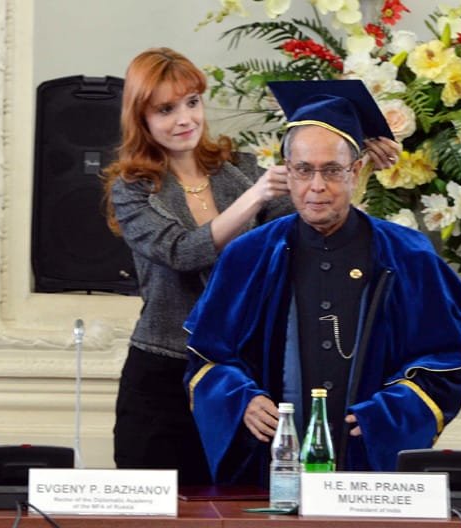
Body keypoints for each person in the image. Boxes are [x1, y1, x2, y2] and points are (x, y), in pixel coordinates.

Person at [102, 49, 397, 485]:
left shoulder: (237, 168)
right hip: (164, 372)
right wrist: (255, 197)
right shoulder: (132, 188)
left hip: (236, 374)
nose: (185, 119)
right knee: (155, 502)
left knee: (237, 500)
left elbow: (308, 220)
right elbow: (181, 252)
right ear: (139, 116)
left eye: (192, 103)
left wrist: (353, 155)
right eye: (166, 109)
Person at [183, 79, 461, 485]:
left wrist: (387, 414)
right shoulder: (249, 256)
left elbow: (444, 363)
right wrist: (240, 398)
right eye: (303, 170)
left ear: (357, 171)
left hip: (367, 468)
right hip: (271, 464)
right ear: (286, 173)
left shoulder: (409, 256)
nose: (317, 186)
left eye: (332, 170)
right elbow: (206, 357)